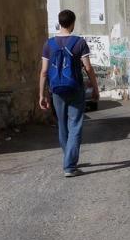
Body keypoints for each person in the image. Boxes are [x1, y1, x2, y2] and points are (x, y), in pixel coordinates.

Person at [38, 9, 100, 177]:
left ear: (59, 23)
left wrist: (42, 95)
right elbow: (88, 68)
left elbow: (44, 72)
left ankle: (69, 159)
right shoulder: (79, 42)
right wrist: (95, 88)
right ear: (73, 23)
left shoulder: (48, 44)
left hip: (56, 91)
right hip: (75, 88)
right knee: (75, 126)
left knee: (63, 125)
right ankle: (70, 166)